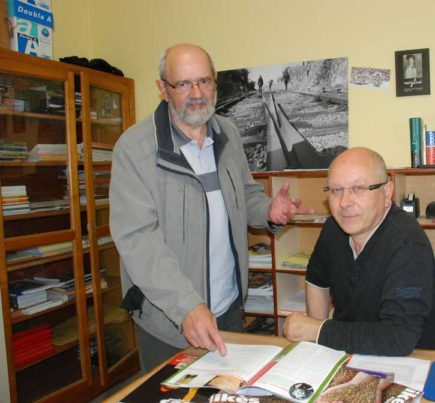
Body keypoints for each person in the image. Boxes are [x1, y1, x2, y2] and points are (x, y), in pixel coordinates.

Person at [110, 43, 312, 372]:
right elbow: (138, 241)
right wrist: (187, 307)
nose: (197, 93)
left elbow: (244, 194)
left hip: (229, 306)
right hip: (170, 319)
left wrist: (268, 211)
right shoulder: (134, 149)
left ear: (215, 81)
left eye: (204, 81)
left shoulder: (227, 132)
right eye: (184, 84)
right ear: (162, 88)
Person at [283, 147, 435, 356]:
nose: (345, 203)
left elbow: (398, 338)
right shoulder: (334, 228)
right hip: (349, 354)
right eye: (335, 190)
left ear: (387, 192)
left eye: (358, 188)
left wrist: (317, 330)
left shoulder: (408, 244)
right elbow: (317, 279)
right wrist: (318, 347)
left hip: (411, 362)